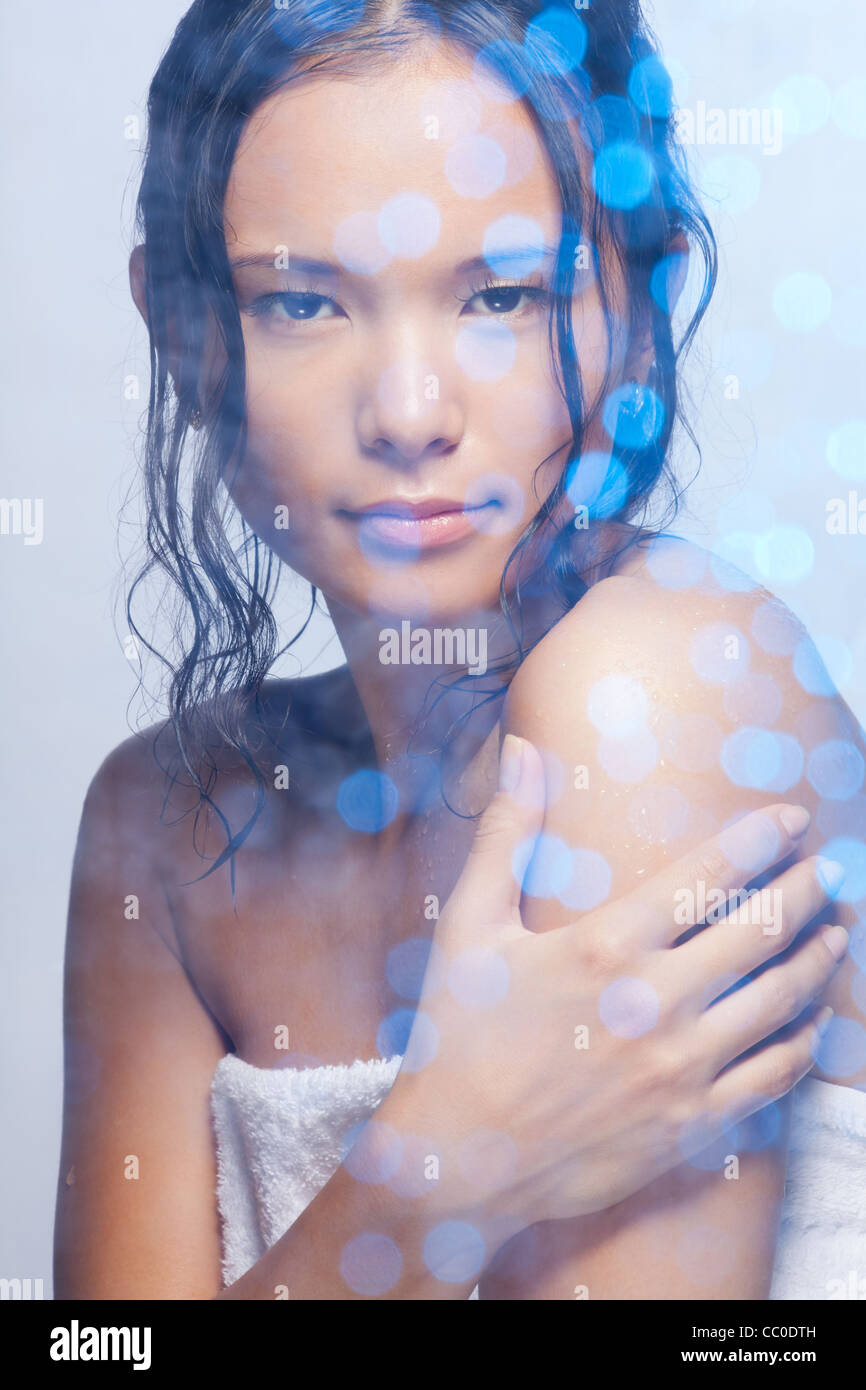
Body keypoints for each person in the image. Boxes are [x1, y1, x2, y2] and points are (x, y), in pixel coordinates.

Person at [54, 0, 864, 1300]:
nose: (409, 413)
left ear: (644, 306)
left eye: (500, 295)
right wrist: (440, 1168)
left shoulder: (649, 691)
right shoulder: (165, 826)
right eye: (303, 302)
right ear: (184, 328)